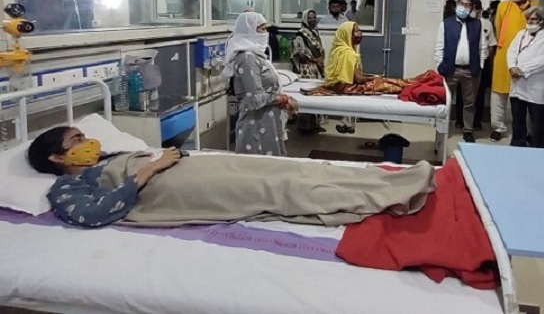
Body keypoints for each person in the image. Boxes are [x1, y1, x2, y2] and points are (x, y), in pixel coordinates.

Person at [27, 127, 435, 229]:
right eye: (76, 140)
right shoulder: (66, 188)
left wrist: (171, 156)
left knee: (293, 167)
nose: (88, 142)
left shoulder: (112, 155)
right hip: (173, 186)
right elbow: (96, 215)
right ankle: (388, 195)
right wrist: (152, 168)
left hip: (194, 167)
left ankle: (390, 179)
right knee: (278, 188)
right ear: (57, 158)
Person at [223, 12, 298, 156]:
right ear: (248, 30)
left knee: (272, 165)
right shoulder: (247, 58)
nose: (266, 33)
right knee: (258, 166)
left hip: (268, 122)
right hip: (256, 126)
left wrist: (282, 98)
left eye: (265, 28)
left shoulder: (257, 55)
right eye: (261, 29)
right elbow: (255, 99)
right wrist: (283, 99)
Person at [434, 0, 489, 142]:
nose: (464, 7)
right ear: (457, 4)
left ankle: (468, 130)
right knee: (445, 102)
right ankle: (442, 129)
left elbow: (482, 47)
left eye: (468, 5)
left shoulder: (477, 24)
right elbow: (439, 47)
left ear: (472, 8)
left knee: (469, 103)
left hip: (471, 70)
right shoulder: (446, 24)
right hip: (449, 69)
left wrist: (480, 65)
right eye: (462, 4)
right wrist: (440, 65)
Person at [491, 0, 538, 142]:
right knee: (499, 93)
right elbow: (497, 29)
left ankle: (524, 131)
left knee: (524, 95)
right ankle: (498, 127)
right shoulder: (503, 6)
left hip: (527, 55)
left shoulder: (535, 6)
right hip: (503, 54)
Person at [506, 6, 544, 148]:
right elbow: (511, 51)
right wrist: (512, 66)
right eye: (528, 19)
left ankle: (537, 147)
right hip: (518, 83)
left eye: (534, 19)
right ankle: (518, 142)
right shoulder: (521, 34)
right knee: (517, 118)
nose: (530, 21)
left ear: (542, 21)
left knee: (537, 121)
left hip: (537, 84)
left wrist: (522, 70)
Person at [291, 9, 326, 135]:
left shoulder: (315, 32)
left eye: (314, 17)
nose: (312, 20)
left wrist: (321, 59)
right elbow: (297, 52)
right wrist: (314, 60)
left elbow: (320, 49)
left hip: (316, 68)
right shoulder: (301, 34)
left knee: (316, 96)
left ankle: (314, 124)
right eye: (310, 18)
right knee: (307, 97)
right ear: (305, 19)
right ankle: (304, 127)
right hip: (306, 69)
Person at [473, 0, 497, 131]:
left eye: (476, 8)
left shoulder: (487, 23)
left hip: (484, 61)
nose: (473, 11)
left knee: (480, 92)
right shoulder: (462, 23)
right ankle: (460, 120)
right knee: (463, 93)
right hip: (466, 62)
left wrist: (491, 65)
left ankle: (477, 120)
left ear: (480, 10)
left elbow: (492, 45)